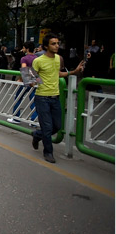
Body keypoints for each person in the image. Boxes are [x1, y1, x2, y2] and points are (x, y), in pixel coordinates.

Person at [32, 33, 83, 163]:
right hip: (42, 97)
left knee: (57, 126)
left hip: (55, 97)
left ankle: (37, 135)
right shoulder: (38, 60)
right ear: (45, 46)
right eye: (53, 44)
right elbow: (29, 75)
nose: (56, 46)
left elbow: (58, 73)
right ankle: (48, 152)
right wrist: (38, 82)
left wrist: (74, 72)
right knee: (48, 127)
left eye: (57, 43)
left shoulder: (59, 59)